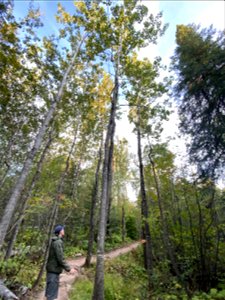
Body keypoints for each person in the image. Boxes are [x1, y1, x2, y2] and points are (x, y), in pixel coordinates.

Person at [45, 225, 76, 300]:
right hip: (53, 271)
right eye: (63, 229)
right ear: (60, 231)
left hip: (52, 270)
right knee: (51, 295)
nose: (64, 230)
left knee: (50, 293)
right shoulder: (57, 242)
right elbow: (60, 258)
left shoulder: (55, 241)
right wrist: (69, 269)